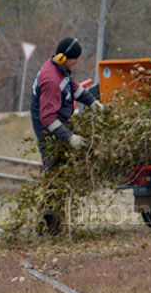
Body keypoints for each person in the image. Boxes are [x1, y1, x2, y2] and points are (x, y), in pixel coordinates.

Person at [30, 37, 104, 233]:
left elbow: (74, 87)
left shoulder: (61, 70)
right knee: (55, 175)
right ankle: (48, 225)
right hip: (49, 132)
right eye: (74, 59)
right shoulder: (51, 80)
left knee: (62, 174)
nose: (77, 62)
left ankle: (51, 222)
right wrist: (69, 137)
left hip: (60, 122)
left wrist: (92, 102)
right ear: (63, 58)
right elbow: (47, 118)